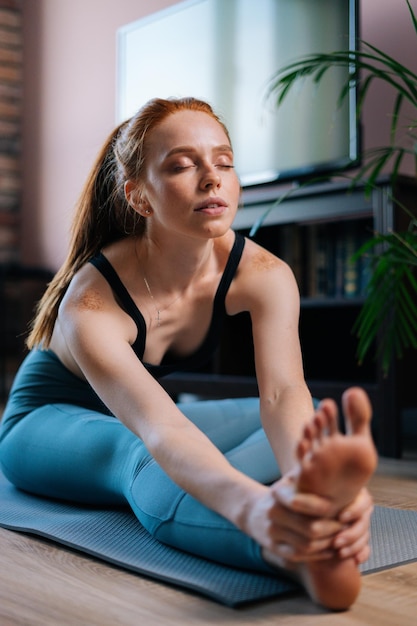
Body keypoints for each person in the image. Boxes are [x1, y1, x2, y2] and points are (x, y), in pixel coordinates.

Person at [0, 97, 377, 611]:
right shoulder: (91, 301)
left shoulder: (264, 275)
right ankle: (285, 551)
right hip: (46, 423)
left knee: (310, 422)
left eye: (223, 161)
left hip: (149, 414)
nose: (211, 178)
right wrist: (253, 509)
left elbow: (283, 395)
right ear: (139, 198)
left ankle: (301, 512)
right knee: (143, 453)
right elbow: (161, 429)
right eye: (182, 165)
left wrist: (303, 482)